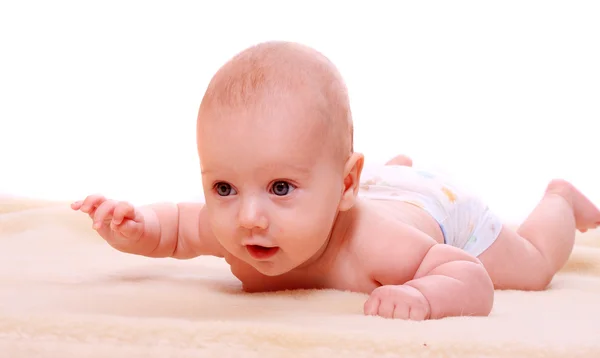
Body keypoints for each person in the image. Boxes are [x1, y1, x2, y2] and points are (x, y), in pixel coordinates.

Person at [71, 41, 600, 320]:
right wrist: (136, 227)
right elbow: (178, 230)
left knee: (530, 269)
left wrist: (424, 296)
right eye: (224, 188)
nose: (248, 215)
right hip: (373, 188)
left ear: (346, 186)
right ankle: (397, 168)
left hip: (437, 209)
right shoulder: (240, 226)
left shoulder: (378, 248)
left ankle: (560, 200)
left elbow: (471, 279)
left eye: (280, 188)